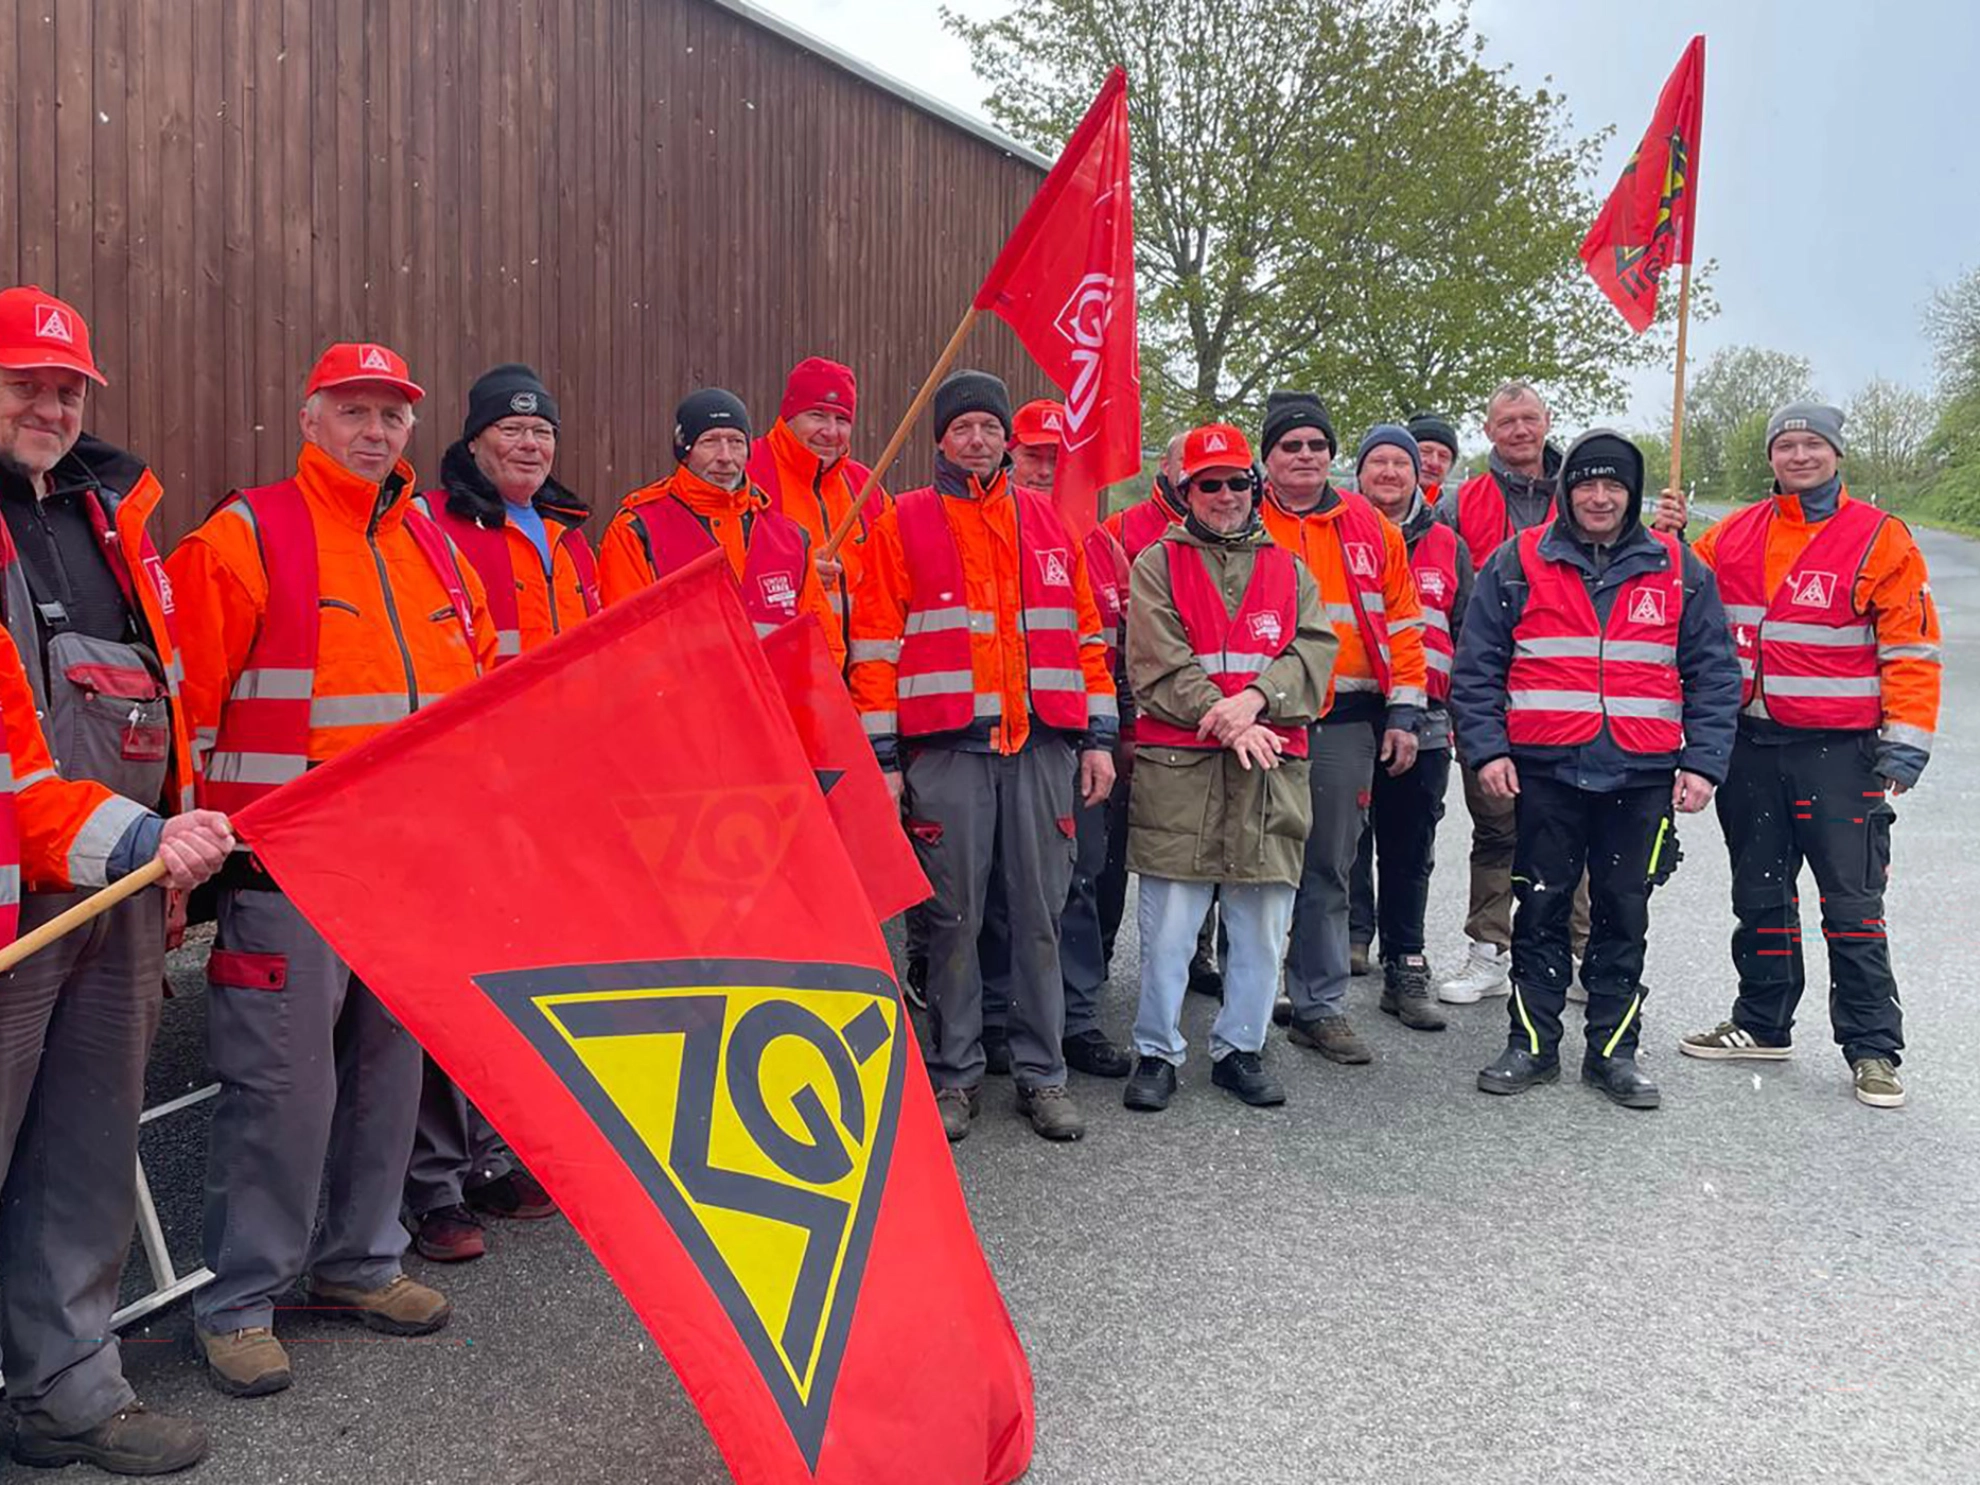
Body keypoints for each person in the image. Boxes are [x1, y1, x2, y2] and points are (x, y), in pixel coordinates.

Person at [170, 341, 497, 1398]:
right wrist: (179, 862)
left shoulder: (432, 544)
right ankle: (239, 1302)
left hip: (407, 870)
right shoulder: (248, 534)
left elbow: (479, 686)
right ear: (310, 420)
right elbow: (187, 707)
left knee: (388, 1081)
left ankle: (361, 1260)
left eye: (392, 415)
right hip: (285, 867)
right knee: (282, 1091)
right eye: (354, 411)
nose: (375, 431)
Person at [0, 286, 235, 1476]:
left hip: (120, 888)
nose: (50, 407)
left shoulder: (111, 518)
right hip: (17, 896)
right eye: (24, 385)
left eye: (67, 389)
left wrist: (170, 849)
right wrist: (144, 840)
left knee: (89, 1150)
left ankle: (68, 1390)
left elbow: (165, 697)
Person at [849, 370, 1117, 1143]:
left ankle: (1043, 1075)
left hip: (1041, 749)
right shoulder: (902, 522)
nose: (977, 439)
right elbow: (873, 649)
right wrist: (885, 760)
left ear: (1006, 439)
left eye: (989, 428)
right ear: (940, 438)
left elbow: (1087, 639)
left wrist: (1099, 739)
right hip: (947, 754)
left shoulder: (1047, 520)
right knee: (952, 919)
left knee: (1040, 915)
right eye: (962, 427)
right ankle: (955, 1077)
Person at [1451, 430, 1740, 1108]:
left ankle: (1614, 1052)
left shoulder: (1679, 567)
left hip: (1640, 775)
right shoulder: (1517, 561)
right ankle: (1532, 1044)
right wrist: (1488, 750)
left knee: (1623, 916)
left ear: (1633, 494)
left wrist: (1703, 764)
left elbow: (1714, 672)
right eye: (1587, 484)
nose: (1600, 497)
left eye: (1614, 485)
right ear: (1567, 491)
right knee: (1540, 909)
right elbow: (1477, 666)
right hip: (1545, 770)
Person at [1678, 402, 1940, 1110]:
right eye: (1786, 444)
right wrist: (1669, 538)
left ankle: (1873, 1048)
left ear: (1836, 454)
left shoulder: (1880, 538)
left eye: (1812, 444)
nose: (1799, 456)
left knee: (1852, 905)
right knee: (1759, 893)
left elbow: (1911, 646)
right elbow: (1677, 589)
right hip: (1750, 745)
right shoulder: (1732, 534)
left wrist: (1904, 745)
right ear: (1770, 456)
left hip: (1840, 752)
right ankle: (1762, 1021)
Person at [405, 363, 596, 1263]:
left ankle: (495, 1152)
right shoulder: (432, 526)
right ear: (475, 439)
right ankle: (435, 1183)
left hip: (553, 797)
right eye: (512, 430)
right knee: (453, 990)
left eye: (542, 431)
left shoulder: (568, 537)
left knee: (520, 984)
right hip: (468, 798)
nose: (529, 445)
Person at [1121, 423, 1334, 1111]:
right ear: (1185, 491)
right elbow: (1157, 664)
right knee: (1168, 932)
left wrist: (1254, 701)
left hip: (1268, 774)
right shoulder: (1156, 564)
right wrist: (1228, 715)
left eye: (1236, 482)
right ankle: (1157, 1052)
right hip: (1180, 774)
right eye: (1208, 483)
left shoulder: (1291, 570)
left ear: (1255, 486)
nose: (1224, 494)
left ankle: (1241, 1049)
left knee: (1262, 928)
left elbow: (1314, 654)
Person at [1257, 391, 1428, 1064]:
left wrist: (1406, 713)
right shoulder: (1241, 515)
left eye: (1317, 445)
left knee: (1329, 867)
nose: (1305, 456)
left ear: (1333, 455)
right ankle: (1247, 1007)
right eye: (1290, 445)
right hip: (1260, 722)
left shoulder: (1372, 528)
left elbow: (1405, 626)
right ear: (1267, 457)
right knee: (1253, 867)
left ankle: (1319, 1007)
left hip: (1346, 722)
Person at [979, 398, 1133, 1078]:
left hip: (1071, 740)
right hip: (1000, 739)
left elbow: (1113, 652)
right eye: (1035, 456)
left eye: (1057, 459)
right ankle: (996, 1016)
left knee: (1078, 878)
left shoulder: (1100, 546)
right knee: (998, 885)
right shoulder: (987, 530)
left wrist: (1110, 734)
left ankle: (1078, 1018)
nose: (1045, 469)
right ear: (1011, 455)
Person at [1434, 380, 1581, 1005]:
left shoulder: (1587, 492)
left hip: (1571, 687)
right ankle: (1490, 950)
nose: (1520, 430)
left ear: (1547, 421)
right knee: (1496, 828)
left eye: (1529, 418)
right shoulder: (1457, 505)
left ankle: (1577, 950)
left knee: (1573, 827)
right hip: (1489, 687)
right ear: (1488, 431)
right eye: (1506, 421)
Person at [1344, 427, 1472, 1027]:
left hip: (1426, 717)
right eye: (1379, 461)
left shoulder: (1448, 544)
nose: (1390, 472)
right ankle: (1346, 940)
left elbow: (1467, 632)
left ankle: (1405, 960)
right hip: (1350, 709)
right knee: (1342, 839)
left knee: (1410, 845)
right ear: (1360, 472)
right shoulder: (1338, 530)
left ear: (1419, 474)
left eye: (1402, 462)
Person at [599, 389, 834, 641]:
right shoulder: (637, 532)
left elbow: (822, 641)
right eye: (710, 441)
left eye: (736, 442)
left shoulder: (791, 539)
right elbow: (627, 642)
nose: (725, 456)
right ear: (685, 451)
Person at [744, 357, 886, 671]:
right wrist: (800, 574)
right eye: (817, 415)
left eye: (842, 419)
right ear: (789, 416)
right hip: (776, 675)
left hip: (854, 681)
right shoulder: (747, 473)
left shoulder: (867, 488)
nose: (830, 431)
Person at [1407, 412, 1461, 505]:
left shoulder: (1455, 510)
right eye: (1425, 452)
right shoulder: (1381, 504)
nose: (1434, 463)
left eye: (1443, 456)